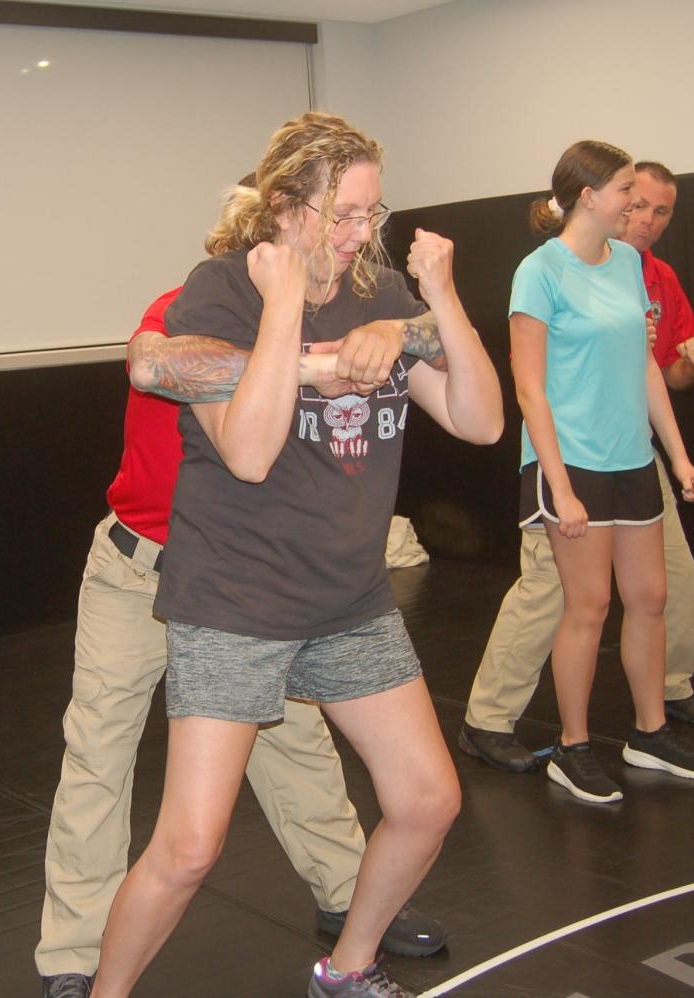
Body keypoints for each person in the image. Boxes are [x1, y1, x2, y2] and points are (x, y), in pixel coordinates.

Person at [92, 112, 502, 998]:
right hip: (234, 601)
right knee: (191, 848)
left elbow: (480, 419)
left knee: (428, 801)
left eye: (373, 215)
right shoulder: (220, 292)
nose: (361, 235)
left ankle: (347, 971)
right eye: (344, 214)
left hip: (348, 598)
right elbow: (247, 451)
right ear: (286, 209)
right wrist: (286, 310)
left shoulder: (382, 288)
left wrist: (432, 301)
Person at [36, 207, 452, 998]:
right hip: (142, 571)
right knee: (100, 755)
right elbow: (156, 365)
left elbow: (428, 342)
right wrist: (309, 361)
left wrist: (396, 332)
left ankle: (347, 898)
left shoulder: (324, 320)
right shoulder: (188, 314)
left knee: (299, 751)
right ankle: (76, 953)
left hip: (249, 583)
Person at [459, 160, 694, 777]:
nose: (640, 209)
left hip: (630, 457)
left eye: (654, 204)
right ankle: (542, 737)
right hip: (570, 461)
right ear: (589, 196)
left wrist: (678, 456)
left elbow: (647, 366)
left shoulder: (630, 265)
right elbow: (529, 389)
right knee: (573, 599)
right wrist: (560, 484)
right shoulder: (540, 271)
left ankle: (651, 728)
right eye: (630, 193)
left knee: (652, 594)